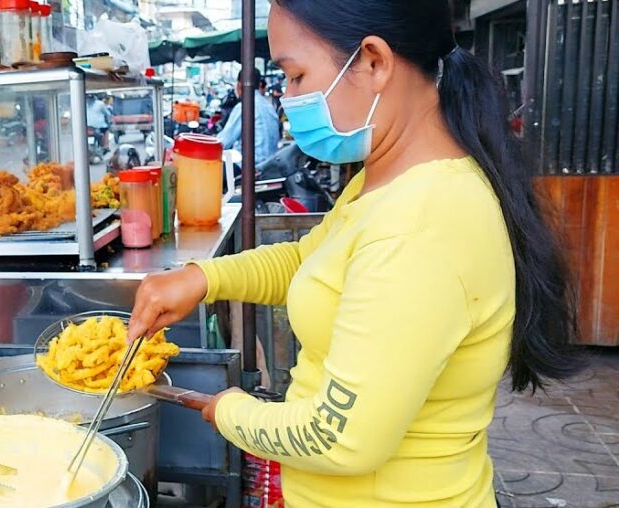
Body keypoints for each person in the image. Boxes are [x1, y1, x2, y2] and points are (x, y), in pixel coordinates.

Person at [128, 1, 582, 506]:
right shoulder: (383, 178)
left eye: (295, 75)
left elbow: (339, 438)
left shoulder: (424, 223)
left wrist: (232, 411)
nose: (288, 97)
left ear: (373, 61)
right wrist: (202, 278)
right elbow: (314, 261)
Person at [217, 67, 281, 166]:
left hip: (249, 167)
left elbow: (223, 142)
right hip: (270, 166)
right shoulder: (268, 105)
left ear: (239, 85)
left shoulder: (244, 106)